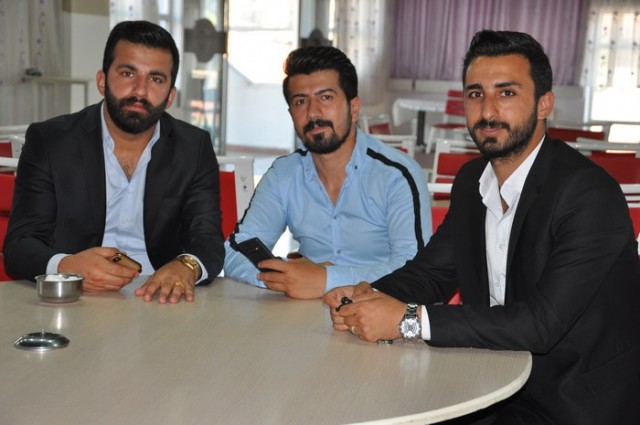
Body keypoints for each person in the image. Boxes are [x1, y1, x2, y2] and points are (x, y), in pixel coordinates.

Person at [324, 30, 640, 425]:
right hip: (491, 375)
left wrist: (408, 319)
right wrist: (368, 295)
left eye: (506, 93)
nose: (487, 111)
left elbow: (541, 325)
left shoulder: (588, 193)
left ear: (544, 103)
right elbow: (431, 273)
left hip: (575, 400)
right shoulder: (472, 180)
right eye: (476, 94)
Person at [4, 21, 225, 304]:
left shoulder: (193, 147)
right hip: (76, 296)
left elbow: (207, 239)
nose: (140, 91)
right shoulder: (50, 141)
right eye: (127, 73)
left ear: (170, 95)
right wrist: (66, 267)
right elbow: (20, 246)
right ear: (102, 80)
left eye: (156, 79)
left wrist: (187, 265)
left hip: (160, 297)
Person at [224, 45, 432, 300]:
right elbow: (237, 249)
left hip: (384, 310)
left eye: (326, 97)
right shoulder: (283, 174)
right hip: (305, 311)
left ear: (353, 108)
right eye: (301, 101)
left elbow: (416, 270)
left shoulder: (396, 175)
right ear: (291, 114)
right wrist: (286, 278)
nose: (312, 112)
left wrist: (327, 279)